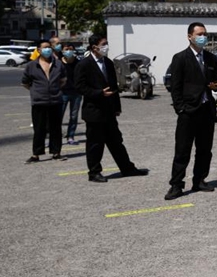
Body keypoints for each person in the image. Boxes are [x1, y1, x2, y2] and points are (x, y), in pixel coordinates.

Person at [74, 34, 149, 183]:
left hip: (109, 111)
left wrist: (117, 107)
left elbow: (114, 87)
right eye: (103, 44)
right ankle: (94, 172)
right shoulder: (84, 65)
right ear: (94, 47)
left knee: (116, 141)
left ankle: (127, 168)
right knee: (95, 143)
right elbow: (79, 87)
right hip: (94, 111)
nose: (106, 47)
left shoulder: (108, 63)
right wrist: (98, 93)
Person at [165, 22, 217, 200]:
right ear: (190, 36)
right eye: (199, 34)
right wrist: (180, 108)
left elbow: (215, 81)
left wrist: (215, 86)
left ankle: (199, 180)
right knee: (182, 150)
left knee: (205, 149)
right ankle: (176, 185)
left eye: (204, 33)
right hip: (188, 111)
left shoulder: (211, 58)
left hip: (206, 109)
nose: (202, 37)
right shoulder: (180, 58)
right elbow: (176, 87)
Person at [21, 39, 67, 163]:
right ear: (39, 50)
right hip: (39, 101)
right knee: (39, 128)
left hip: (55, 100)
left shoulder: (58, 64)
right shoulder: (31, 65)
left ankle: (56, 152)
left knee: (56, 128)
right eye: (45, 47)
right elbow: (25, 82)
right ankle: (36, 154)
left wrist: (55, 89)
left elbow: (63, 80)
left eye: (50, 47)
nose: (48, 50)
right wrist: (36, 91)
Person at [61, 44, 82, 145]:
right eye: (66, 49)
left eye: (70, 49)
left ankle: (71, 136)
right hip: (62, 93)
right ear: (62, 51)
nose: (68, 51)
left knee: (74, 116)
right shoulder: (58, 63)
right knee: (58, 116)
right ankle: (56, 137)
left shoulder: (78, 63)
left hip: (76, 93)